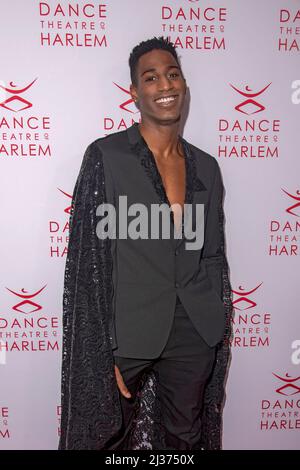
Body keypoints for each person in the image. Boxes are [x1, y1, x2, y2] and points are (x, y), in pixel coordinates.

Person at [58, 36, 233, 451]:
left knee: (185, 440)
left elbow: (212, 254)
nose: (165, 85)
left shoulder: (207, 166)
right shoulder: (106, 156)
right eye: (151, 77)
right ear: (135, 92)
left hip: (194, 330)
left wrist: (213, 323)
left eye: (172, 74)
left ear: (184, 85)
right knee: (99, 436)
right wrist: (101, 350)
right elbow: (89, 263)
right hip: (127, 332)